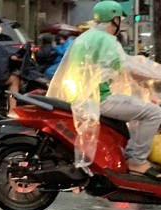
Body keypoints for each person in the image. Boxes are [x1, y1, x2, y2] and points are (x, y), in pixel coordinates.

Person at [47, 0, 161, 181]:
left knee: (139, 107)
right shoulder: (106, 40)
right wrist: (157, 73)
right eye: (120, 20)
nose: (121, 23)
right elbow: (130, 68)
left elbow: (114, 69)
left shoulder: (87, 37)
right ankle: (137, 160)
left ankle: (131, 154)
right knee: (154, 112)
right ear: (115, 19)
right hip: (98, 99)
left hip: (82, 97)